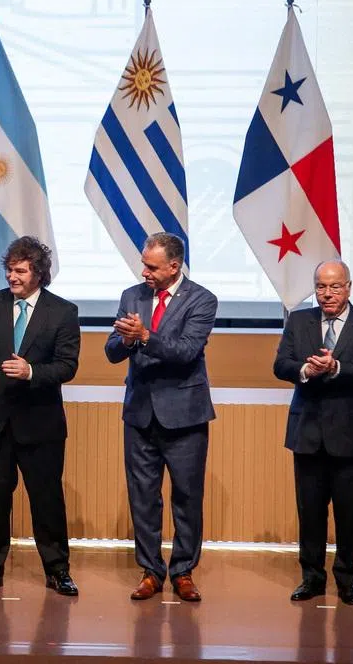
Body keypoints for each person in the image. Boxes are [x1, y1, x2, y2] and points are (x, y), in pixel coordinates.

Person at [0, 237, 80, 596]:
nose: (12, 276)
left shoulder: (63, 312)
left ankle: (57, 570)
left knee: (46, 500)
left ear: (38, 273)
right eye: (10, 269)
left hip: (40, 424)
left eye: (21, 270)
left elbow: (67, 365)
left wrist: (31, 371)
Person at [105, 232, 215, 602]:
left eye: (152, 266)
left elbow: (186, 352)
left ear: (174, 266)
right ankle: (151, 570)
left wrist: (145, 336)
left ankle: (183, 571)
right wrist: (126, 339)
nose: (144, 271)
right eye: (143, 264)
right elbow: (111, 351)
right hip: (139, 414)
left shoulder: (202, 299)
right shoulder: (131, 295)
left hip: (184, 416)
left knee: (186, 497)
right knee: (143, 497)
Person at [273, 260, 353, 606]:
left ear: (348, 287)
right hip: (308, 431)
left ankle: (347, 580)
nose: (327, 294)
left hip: (352, 435)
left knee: (349, 513)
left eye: (334, 287)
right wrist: (306, 369)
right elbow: (281, 365)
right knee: (310, 512)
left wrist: (335, 367)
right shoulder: (299, 320)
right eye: (321, 287)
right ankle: (312, 578)